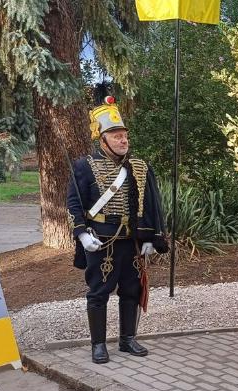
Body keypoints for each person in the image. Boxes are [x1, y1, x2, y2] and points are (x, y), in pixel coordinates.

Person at [67, 88, 169, 364]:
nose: (123, 140)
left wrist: (152, 236)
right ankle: (98, 344)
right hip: (101, 239)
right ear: (103, 139)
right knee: (99, 292)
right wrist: (81, 233)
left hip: (132, 239)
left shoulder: (140, 166)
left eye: (124, 135)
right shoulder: (84, 166)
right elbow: (74, 204)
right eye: (116, 136)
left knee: (132, 290)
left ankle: (127, 339)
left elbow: (151, 203)